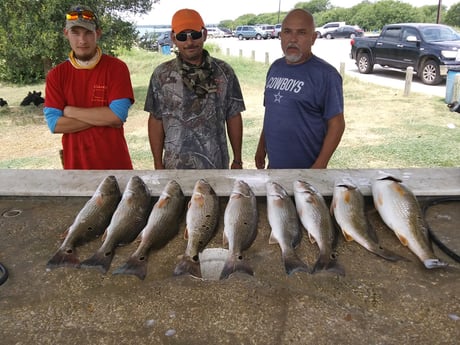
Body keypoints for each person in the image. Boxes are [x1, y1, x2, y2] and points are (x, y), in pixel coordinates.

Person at [144, 8, 245, 169]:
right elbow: (156, 119)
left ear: (204, 34)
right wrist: (157, 163)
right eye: (182, 36)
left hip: (216, 166)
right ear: (173, 38)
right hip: (174, 168)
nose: (189, 42)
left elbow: (233, 116)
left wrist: (238, 160)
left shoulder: (224, 71)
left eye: (195, 35)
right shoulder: (161, 75)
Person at [44, 5, 134, 170]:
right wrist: (103, 118)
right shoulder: (56, 75)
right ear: (66, 34)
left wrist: (70, 111)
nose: (82, 40)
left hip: (116, 166)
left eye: (88, 33)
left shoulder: (116, 68)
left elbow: (116, 116)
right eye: (75, 33)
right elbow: (54, 124)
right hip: (76, 168)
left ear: (97, 33)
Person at [255, 9, 345, 169]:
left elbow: (337, 125)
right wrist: (261, 146)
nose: (293, 39)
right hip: (274, 169)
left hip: (307, 171)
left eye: (301, 33)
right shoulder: (275, 68)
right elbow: (271, 113)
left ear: (313, 38)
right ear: (280, 35)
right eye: (287, 32)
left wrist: (319, 166)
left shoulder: (326, 75)